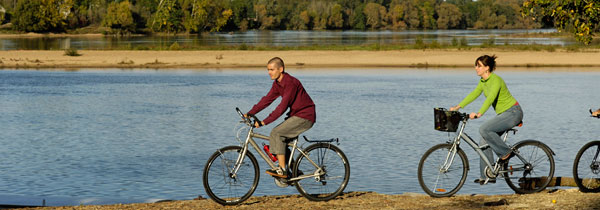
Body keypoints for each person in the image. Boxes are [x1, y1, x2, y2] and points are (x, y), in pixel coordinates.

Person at [449, 55, 523, 185]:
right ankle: (487, 175)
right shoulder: (482, 82)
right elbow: (474, 94)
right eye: (476, 65)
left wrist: (479, 113)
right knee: (484, 140)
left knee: (484, 129)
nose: (476, 68)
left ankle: (506, 153)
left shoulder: (496, 80)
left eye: (479, 66)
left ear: (487, 68)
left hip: (513, 112)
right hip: (504, 114)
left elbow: (490, 99)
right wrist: (458, 106)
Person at [246, 57, 316, 178]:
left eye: (272, 69)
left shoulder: (291, 83)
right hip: (295, 115)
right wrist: (250, 113)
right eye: (268, 70)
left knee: (277, 133)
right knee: (281, 142)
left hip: (305, 116)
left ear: (281, 69)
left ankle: (283, 170)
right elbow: (267, 100)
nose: (269, 72)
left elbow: (282, 107)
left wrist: (264, 122)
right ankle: (294, 171)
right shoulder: (277, 84)